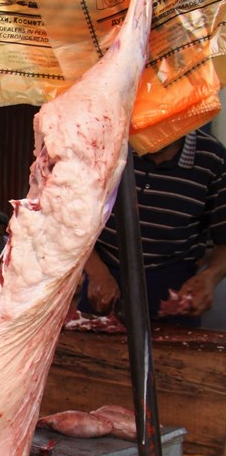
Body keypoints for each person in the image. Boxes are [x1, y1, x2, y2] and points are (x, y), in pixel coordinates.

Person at [80, 128, 226, 325]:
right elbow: (73, 223)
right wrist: (96, 272)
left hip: (173, 284)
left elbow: (223, 240)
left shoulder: (212, 158)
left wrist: (210, 275)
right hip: (101, 273)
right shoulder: (109, 144)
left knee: (170, 354)